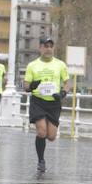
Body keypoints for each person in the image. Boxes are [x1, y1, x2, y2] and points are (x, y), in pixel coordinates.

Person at [23, 36, 70, 172]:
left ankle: (42, 153)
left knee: (51, 136)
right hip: (38, 101)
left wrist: (62, 93)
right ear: (40, 48)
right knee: (42, 131)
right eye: (45, 46)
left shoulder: (60, 64)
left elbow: (67, 83)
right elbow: (25, 86)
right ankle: (41, 161)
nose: (48, 49)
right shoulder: (32, 65)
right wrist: (32, 86)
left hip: (54, 102)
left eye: (51, 46)